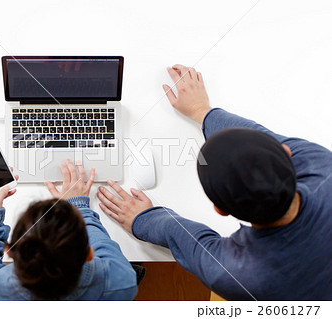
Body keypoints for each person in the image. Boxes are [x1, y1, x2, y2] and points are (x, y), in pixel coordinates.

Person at [97, 64, 332, 300]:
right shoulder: (324, 166)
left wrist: (142, 219)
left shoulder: (238, 275)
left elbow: (183, 238)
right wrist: (202, 110)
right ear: (288, 154)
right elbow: (262, 138)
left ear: (220, 209)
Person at [0, 159, 137, 301]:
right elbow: (106, 249)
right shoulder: (120, 283)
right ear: (89, 254)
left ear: (11, 253)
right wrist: (80, 206)